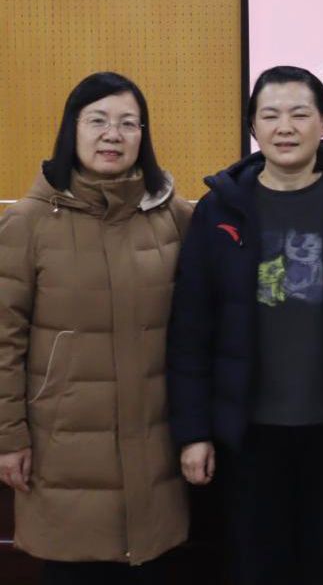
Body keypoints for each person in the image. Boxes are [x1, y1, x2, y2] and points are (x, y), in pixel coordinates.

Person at [165, 66, 323, 585]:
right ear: (253, 127)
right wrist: (194, 433)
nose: (285, 127)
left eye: (300, 114)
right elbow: (191, 332)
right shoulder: (219, 211)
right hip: (247, 438)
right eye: (270, 115)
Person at [0, 72, 191, 583]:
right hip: (61, 453)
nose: (113, 134)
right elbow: (4, 341)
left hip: (154, 449)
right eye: (98, 121)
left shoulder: (170, 216)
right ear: (72, 130)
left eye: (129, 123)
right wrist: (8, 436)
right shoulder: (28, 223)